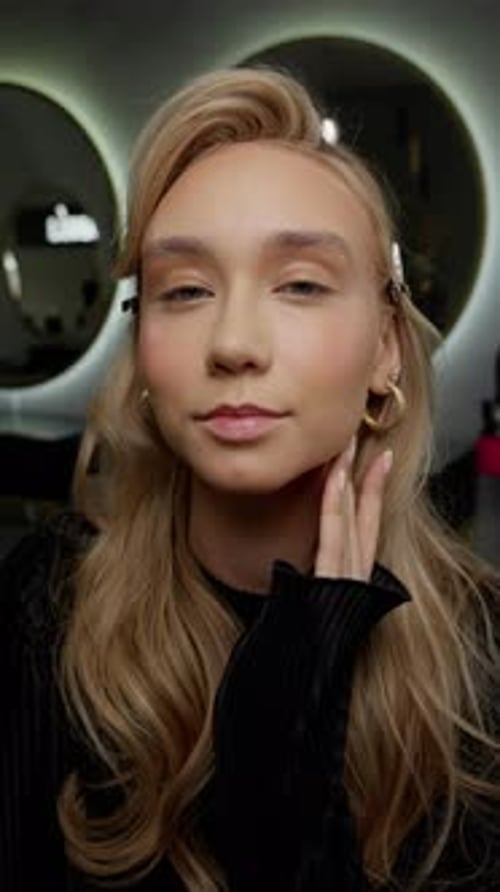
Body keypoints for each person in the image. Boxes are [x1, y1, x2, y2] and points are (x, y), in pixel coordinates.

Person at [0, 66, 499, 892]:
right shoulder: (45, 612)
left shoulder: (481, 657)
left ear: (385, 346)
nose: (233, 342)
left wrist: (295, 750)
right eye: (185, 290)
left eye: (300, 284)